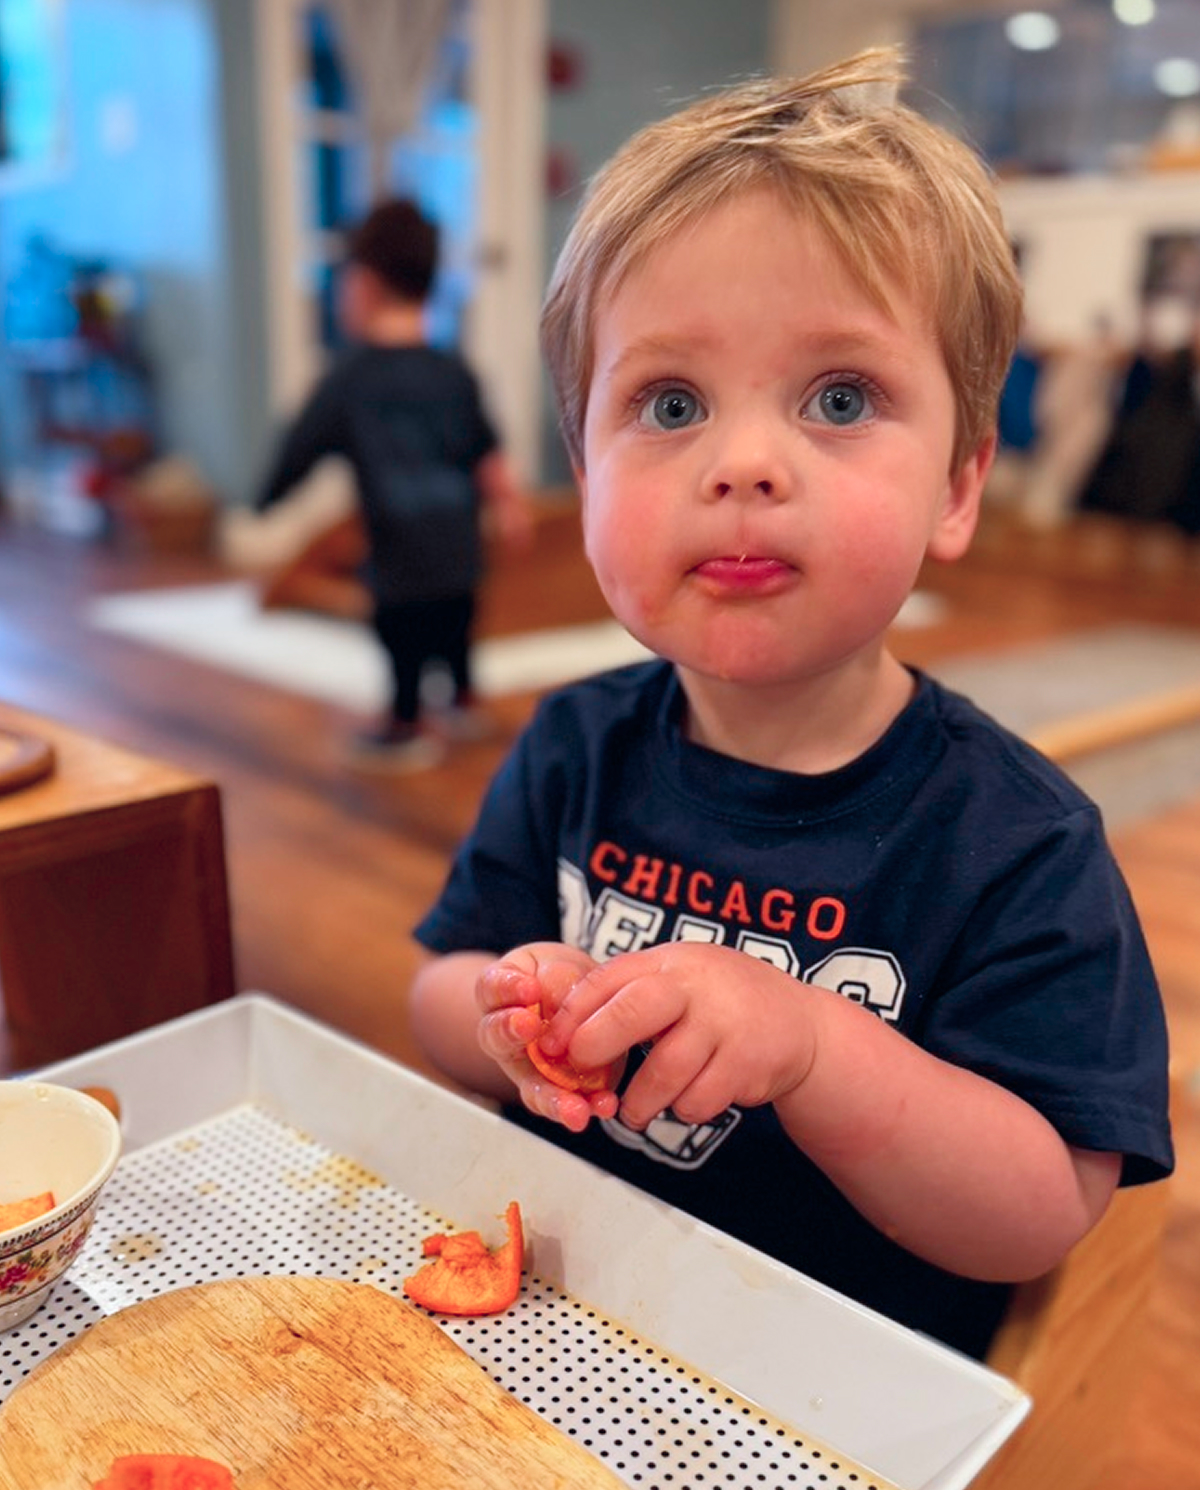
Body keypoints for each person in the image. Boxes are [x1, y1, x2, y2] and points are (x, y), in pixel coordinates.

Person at [407, 49, 1174, 1358]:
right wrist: (508, 1009)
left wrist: (813, 1049)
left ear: (956, 484)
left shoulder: (1016, 839)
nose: (746, 463)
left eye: (839, 398)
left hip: (837, 1391)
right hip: (569, 1320)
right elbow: (435, 988)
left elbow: (1047, 1207)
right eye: (669, 402)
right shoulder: (572, 745)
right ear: (582, 467)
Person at [255, 197, 533, 767]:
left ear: (364, 284)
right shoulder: (453, 370)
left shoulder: (350, 379)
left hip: (398, 551)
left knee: (400, 633)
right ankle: (460, 698)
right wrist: (510, 506)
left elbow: (300, 447)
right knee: (456, 618)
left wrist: (266, 496)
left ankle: (406, 722)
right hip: (458, 543)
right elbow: (486, 449)